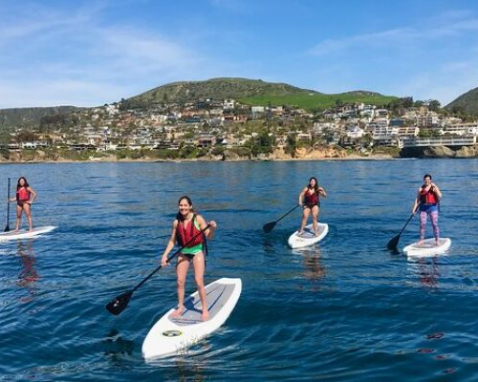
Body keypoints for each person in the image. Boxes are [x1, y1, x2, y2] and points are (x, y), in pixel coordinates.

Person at [161, 196, 217, 321]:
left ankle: (204, 309)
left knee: (198, 280)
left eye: (185, 205)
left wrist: (212, 228)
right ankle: (180, 307)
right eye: (181, 205)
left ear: (190, 206)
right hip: (184, 251)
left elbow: (209, 236)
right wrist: (165, 255)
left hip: (197, 251)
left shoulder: (198, 219)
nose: (183, 207)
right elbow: (172, 241)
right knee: (180, 281)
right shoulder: (176, 222)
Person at [412, 174, 442, 246]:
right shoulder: (420, 189)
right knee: (422, 224)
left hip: (433, 208)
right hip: (423, 208)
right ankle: (421, 240)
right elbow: (417, 200)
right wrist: (414, 209)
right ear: (424, 180)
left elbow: (440, 196)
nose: (427, 181)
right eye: (425, 180)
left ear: (430, 180)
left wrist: (435, 188)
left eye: (428, 180)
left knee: (434, 224)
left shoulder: (433, 187)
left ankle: (437, 240)